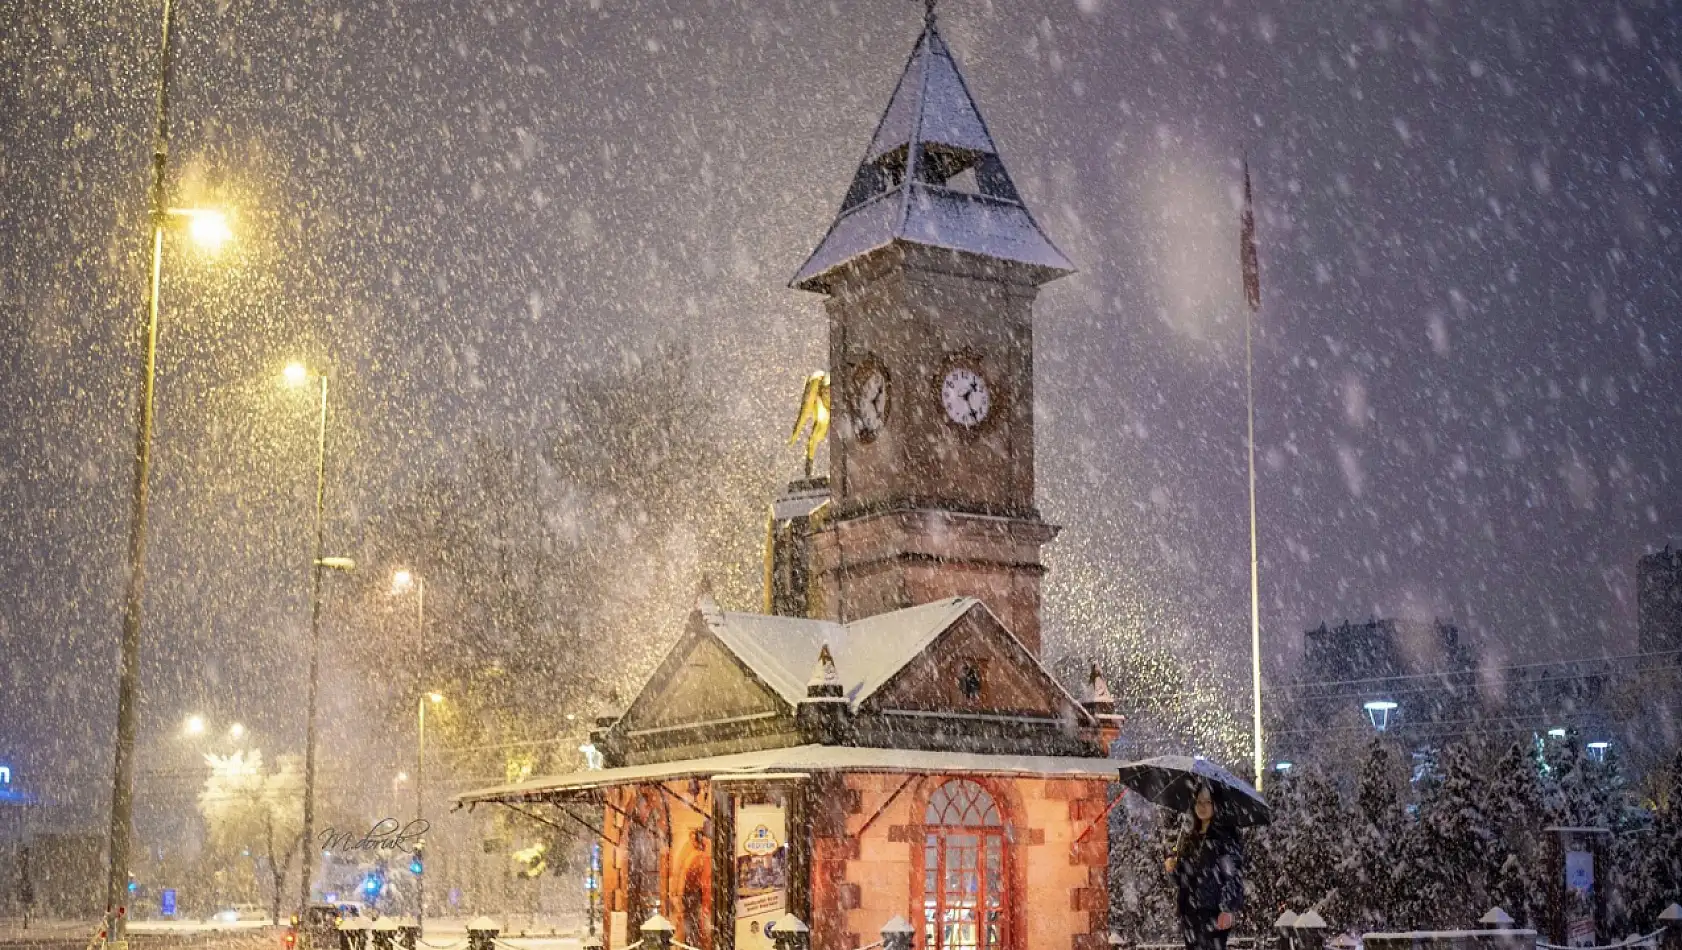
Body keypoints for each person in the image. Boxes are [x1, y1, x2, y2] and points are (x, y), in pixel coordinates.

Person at [1163, 782, 1245, 950]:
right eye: (1199, 802)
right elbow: (1183, 879)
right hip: (1190, 912)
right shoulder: (1190, 839)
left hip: (1213, 911)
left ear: (1216, 805)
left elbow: (1232, 875)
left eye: (1207, 802)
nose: (1202, 806)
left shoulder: (1224, 839)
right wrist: (1172, 869)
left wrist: (1227, 908)